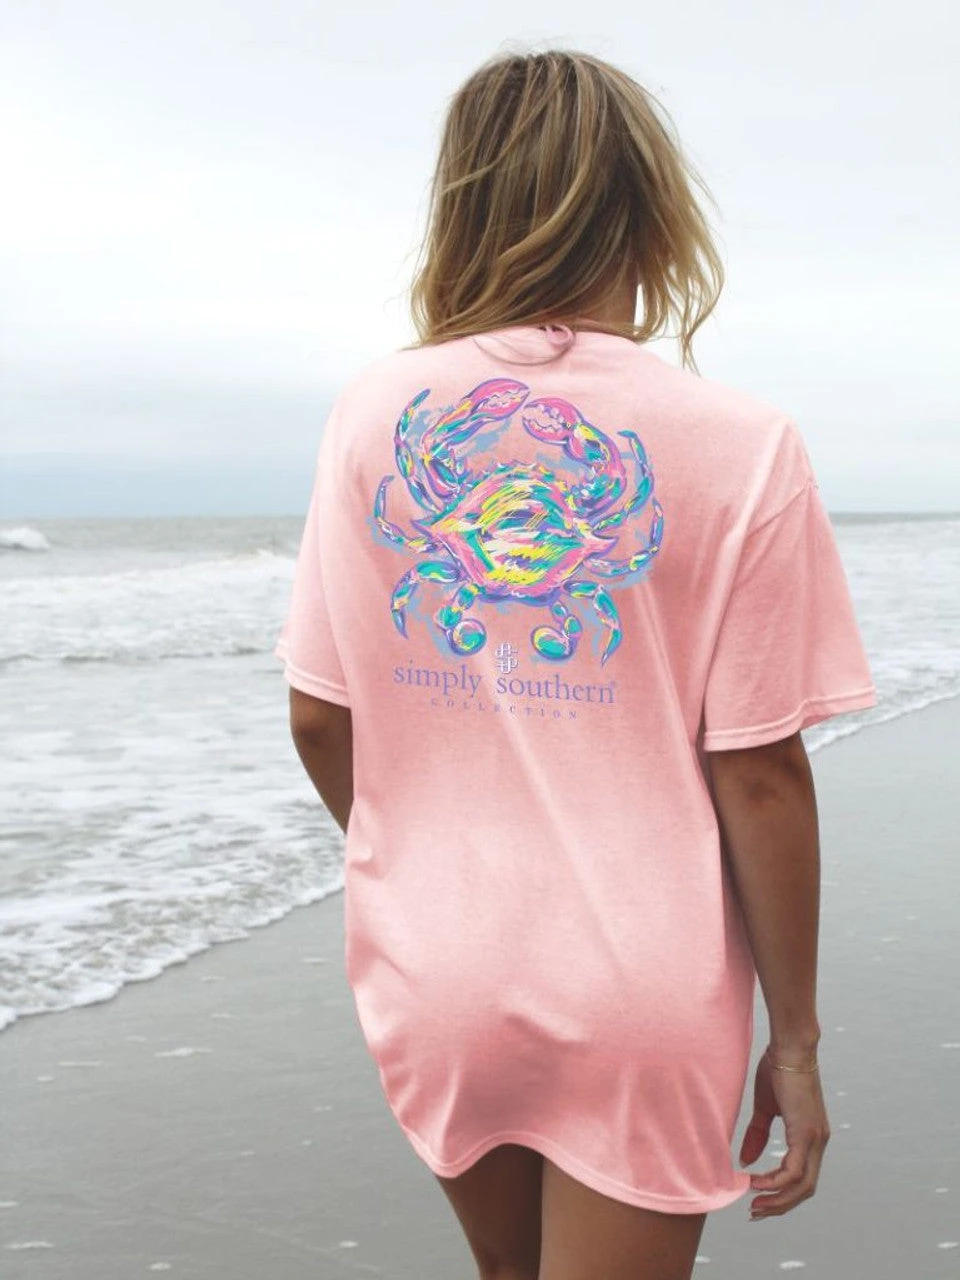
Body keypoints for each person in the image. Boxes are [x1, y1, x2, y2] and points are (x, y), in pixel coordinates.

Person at [275, 46, 878, 1280]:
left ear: (464, 206)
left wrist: (418, 861)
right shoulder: (744, 443)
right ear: (649, 208)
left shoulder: (373, 414)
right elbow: (759, 769)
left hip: (437, 957)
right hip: (640, 974)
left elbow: (320, 717)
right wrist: (797, 1039)